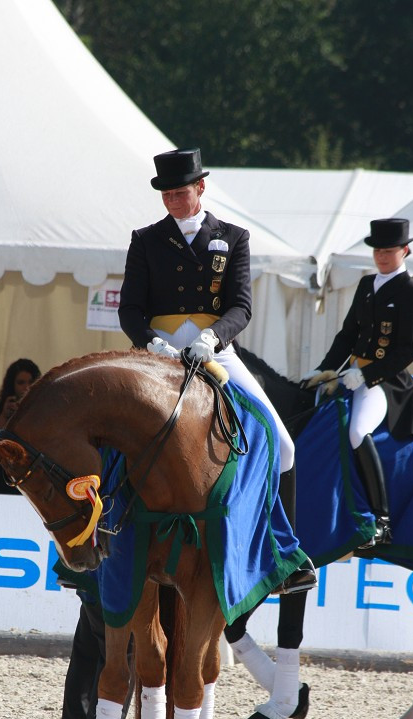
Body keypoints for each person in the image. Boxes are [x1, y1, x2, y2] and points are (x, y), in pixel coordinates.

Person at [118, 146, 316, 594]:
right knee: (118, 434)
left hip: (215, 350)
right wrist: (154, 343)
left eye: (179, 192)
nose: (171, 200)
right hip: (160, 349)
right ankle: (106, 534)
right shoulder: (145, 240)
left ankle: (280, 553)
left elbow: (241, 306)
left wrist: (212, 338)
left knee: (282, 445)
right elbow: (130, 308)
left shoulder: (234, 236)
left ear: (200, 188)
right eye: (165, 194)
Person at [301, 218, 413, 545]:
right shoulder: (366, 285)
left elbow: (408, 349)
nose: (381, 257)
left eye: (388, 251)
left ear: (405, 250)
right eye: (377, 251)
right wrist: (324, 370)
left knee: (358, 431)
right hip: (351, 373)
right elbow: (348, 336)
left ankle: (381, 521)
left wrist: (368, 374)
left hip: (384, 381)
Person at [0, 359, 41, 439]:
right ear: (11, 384)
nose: (27, 387)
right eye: (21, 383)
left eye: (31, 382)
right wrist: (4, 415)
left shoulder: (42, 409)